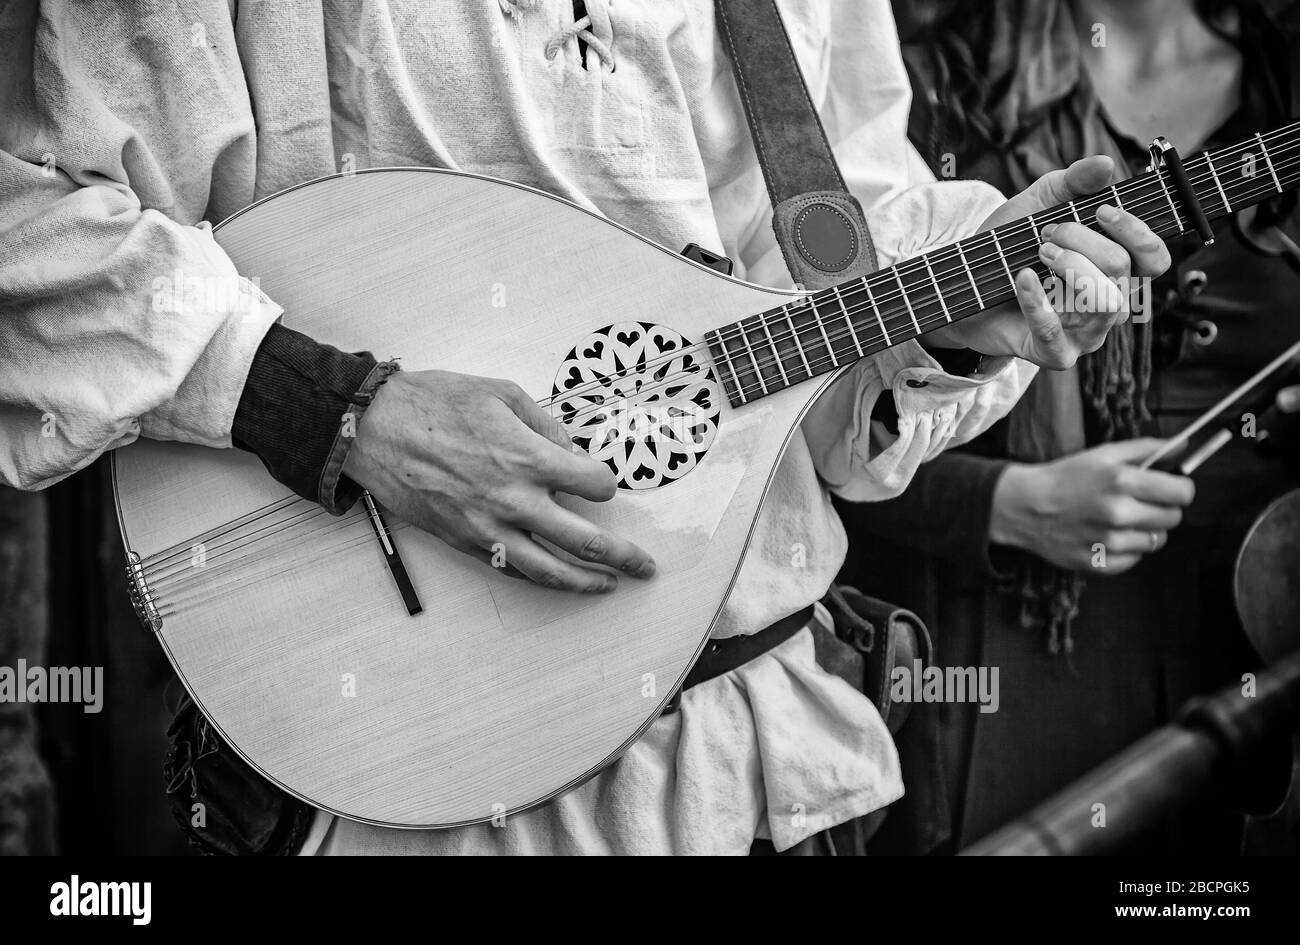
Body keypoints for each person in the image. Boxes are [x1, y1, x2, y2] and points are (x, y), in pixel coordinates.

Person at [0, 0, 1167, 855]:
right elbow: (30, 215)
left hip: (761, 762)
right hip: (398, 773)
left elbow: (829, 291)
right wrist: (335, 410)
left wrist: (958, 318)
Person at [840, 0, 1300, 853]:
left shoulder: (1286, 76)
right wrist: (1002, 503)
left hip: (1256, 640)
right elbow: (823, 409)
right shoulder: (926, 66)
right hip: (1008, 655)